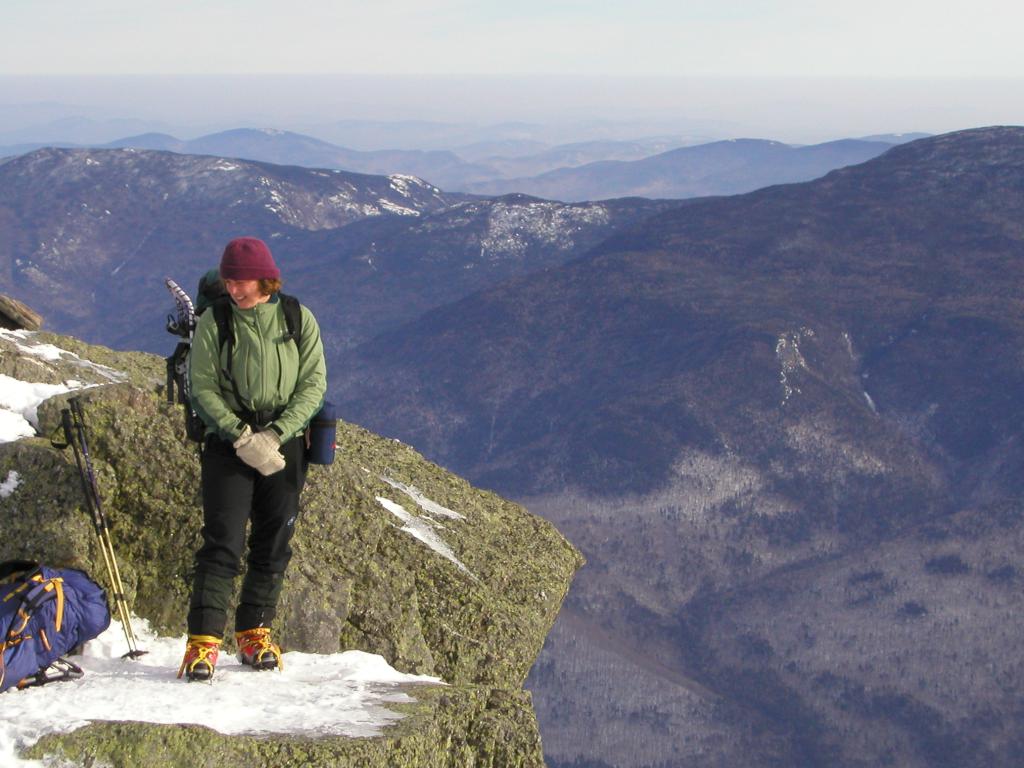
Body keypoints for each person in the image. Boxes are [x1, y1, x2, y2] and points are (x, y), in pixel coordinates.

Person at [178, 236, 327, 681]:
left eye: (241, 281)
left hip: (285, 443)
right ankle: (203, 644)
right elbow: (201, 387)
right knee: (222, 541)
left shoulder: (297, 317)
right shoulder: (215, 321)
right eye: (228, 281)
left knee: (273, 540)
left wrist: (277, 434)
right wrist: (242, 436)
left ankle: (254, 632)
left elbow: (314, 384)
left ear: (266, 279)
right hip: (229, 444)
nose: (235, 290)